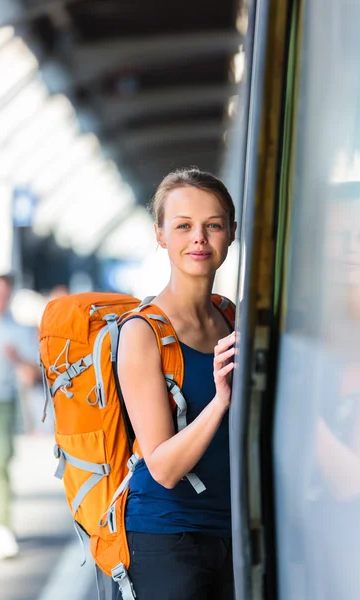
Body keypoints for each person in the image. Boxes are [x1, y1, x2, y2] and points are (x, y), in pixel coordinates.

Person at [114, 168, 237, 600]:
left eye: (213, 225)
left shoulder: (232, 317)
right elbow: (164, 469)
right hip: (166, 539)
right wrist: (221, 401)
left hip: (234, 532)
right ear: (161, 235)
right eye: (183, 226)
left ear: (232, 232)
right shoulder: (143, 333)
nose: (199, 238)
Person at [306, 181, 360, 599]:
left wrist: (297, 412)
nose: (349, 249)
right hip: (296, 537)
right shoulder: (295, 330)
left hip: (356, 554)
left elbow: (354, 482)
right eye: (338, 235)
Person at [0, 274, 39, 560]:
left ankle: (1, 527)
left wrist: (17, 359)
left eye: (4, 293)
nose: (0, 297)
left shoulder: (17, 330)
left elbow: (34, 374)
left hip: (2, 403)